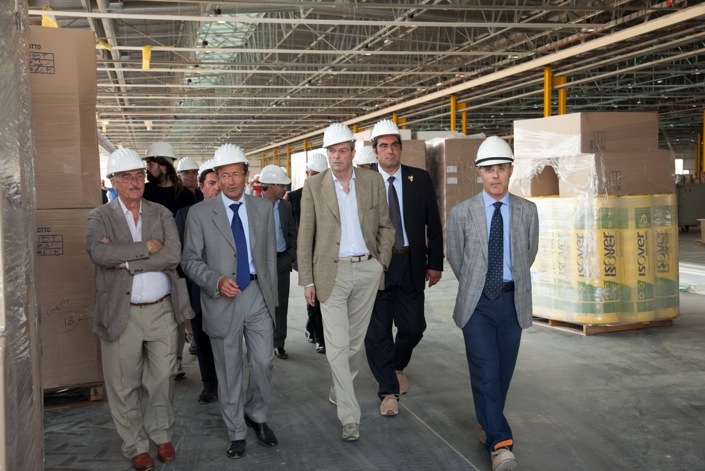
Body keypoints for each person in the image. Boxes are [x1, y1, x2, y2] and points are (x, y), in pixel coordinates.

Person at [86, 148, 193, 471]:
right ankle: (135, 444)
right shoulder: (100, 216)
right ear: (113, 182)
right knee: (123, 383)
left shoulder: (160, 213)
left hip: (162, 310)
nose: (134, 182)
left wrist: (127, 261)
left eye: (139, 175)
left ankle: (161, 434)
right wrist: (147, 247)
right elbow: (99, 254)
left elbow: (172, 255)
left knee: (163, 378)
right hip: (122, 312)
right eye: (126, 177)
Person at [446, 136, 539, 471]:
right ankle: (501, 444)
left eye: (501, 168)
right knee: (486, 370)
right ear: (479, 173)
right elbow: (455, 256)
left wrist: (506, 282)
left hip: (513, 302)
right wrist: (478, 284)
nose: (495, 175)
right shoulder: (462, 213)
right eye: (489, 169)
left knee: (501, 374)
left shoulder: (528, 211)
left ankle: (489, 423)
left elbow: (528, 253)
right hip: (478, 304)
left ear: (511, 170)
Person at [297, 122, 395, 442]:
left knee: (354, 343)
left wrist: (381, 263)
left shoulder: (372, 181)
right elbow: (305, 237)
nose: (337, 157)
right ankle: (350, 417)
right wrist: (307, 280)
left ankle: (338, 387)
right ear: (326, 154)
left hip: (367, 269)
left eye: (342, 151)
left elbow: (386, 226)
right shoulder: (314, 186)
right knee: (338, 346)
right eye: (331, 151)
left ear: (353, 153)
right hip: (331, 273)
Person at [181, 143, 279, 460]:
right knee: (229, 369)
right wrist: (216, 281)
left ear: (247, 175)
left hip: (256, 295)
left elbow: (268, 258)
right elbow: (190, 260)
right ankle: (236, 431)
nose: (231, 181)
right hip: (221, 299)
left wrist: (272, 297)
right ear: (216, 178)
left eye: (236, 174)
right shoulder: (200, 214)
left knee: (263, 361)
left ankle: (256, 414)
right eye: (224, 176)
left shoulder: (263, 209)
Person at [364, 119, 443, 416]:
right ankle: (388, 391)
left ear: (400, 148)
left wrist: (435, 263)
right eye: (383, 146)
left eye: (394, 145)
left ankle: (396, 365)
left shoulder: (418, 179)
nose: (390, 151)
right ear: (375, 151)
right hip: (377, 267)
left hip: (411, 263)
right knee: (378, 333)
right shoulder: (364, 183)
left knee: (413, 327)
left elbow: (433, 224)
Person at [143, 141, 197, 380]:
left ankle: (175, 358)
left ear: (163, 165)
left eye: (151, 164)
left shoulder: (184, 195)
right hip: (148, 262)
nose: (148, 169)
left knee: (177, 313)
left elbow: (192, 231)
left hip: (177, 264)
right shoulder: (144, 192)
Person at [174, 159, 220, 404]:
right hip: (197, 288)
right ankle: (209, 384)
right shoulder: (185, 214)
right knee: (202, 339)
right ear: (201, 187)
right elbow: (180, 255)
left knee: (226, 339)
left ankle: (227, 383)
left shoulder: (234, 214)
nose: (217, 187)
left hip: (228, 287)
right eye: (211, 183)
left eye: (219, 182)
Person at [286, 151, 328, 354]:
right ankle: (321, 338)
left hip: (326, 256)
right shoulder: (294, 198)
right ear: (307, 174)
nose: (316, 179)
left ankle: (312, 328)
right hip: (306, 258)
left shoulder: (332, 195)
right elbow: (289, 229)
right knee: (313, 298)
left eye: (320, 175)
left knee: (322, 298)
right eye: (313, 174)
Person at [259, 164, 297, 360]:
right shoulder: (252, 205)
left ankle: (278, 342)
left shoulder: (285, 206)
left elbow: (292, 233)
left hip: (281, 260)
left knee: (281, 305)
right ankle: (261, 342)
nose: (285, 189)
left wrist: (290, 256)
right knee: (260, 304)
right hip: (260, 264)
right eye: (281, 185)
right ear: (270, 185)